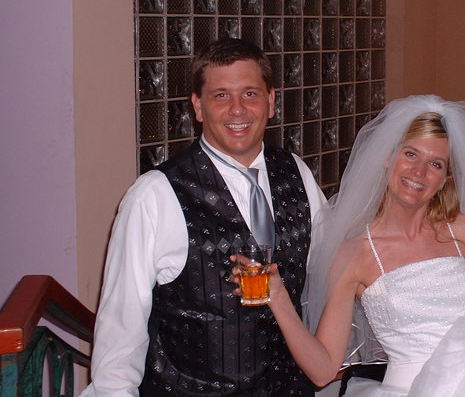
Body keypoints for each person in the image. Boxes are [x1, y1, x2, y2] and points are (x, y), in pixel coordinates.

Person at [235, 95, 465, 396]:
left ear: (445, 179)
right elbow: (323, 371)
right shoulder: (355, 254)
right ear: (388, 157)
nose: (419, 172)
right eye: (410, 154)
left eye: (435, 164)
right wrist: (278, 297)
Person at [80, 38, 326, 397]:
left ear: (271, 101)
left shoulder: (297, 173)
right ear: (198, 106)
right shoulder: (155, 195)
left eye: (250, 94)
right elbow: (121, 327)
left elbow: (329, 272)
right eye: (221, 96)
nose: (238, 110)